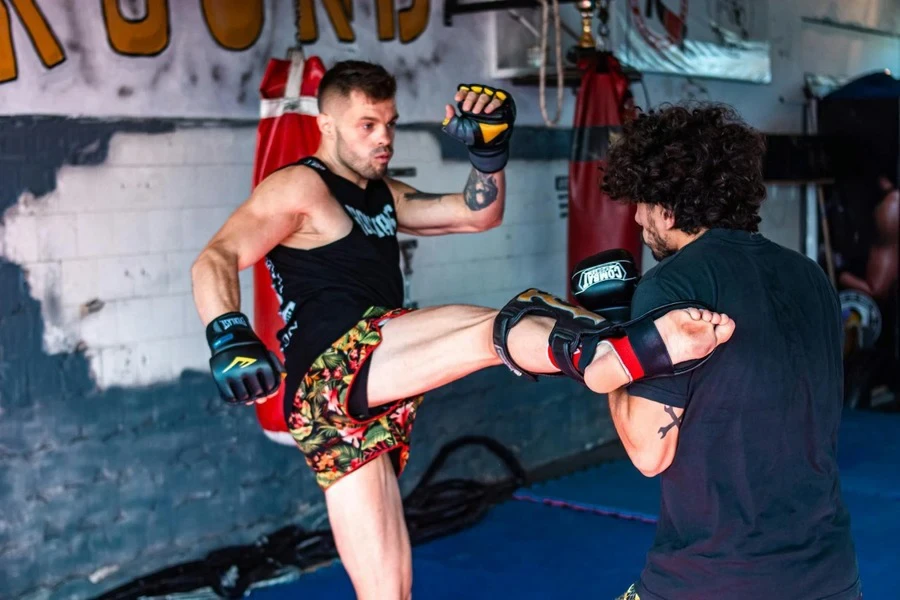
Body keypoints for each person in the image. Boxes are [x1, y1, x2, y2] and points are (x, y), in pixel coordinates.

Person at [190, 61, 735, 600]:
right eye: (367, 125)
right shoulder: (299, 186)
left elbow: (476, 214)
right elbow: (217, 254)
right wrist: (228, 332)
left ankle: (605, 347)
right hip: (334, 368)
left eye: (391, 123)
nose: (385, 138)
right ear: (326, 124)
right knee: (497, 326)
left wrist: (488, 155)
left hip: (365, 403)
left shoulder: (382, 193)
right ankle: (610, 349)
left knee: (386, 590)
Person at [600, 103, 862, 600]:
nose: (636, 218)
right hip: (831, 574)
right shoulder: (810, 276)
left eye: (641, 202)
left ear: (668, 205)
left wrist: (611, 345)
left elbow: (647, 452)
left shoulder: (670, 285)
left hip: (714, 578)